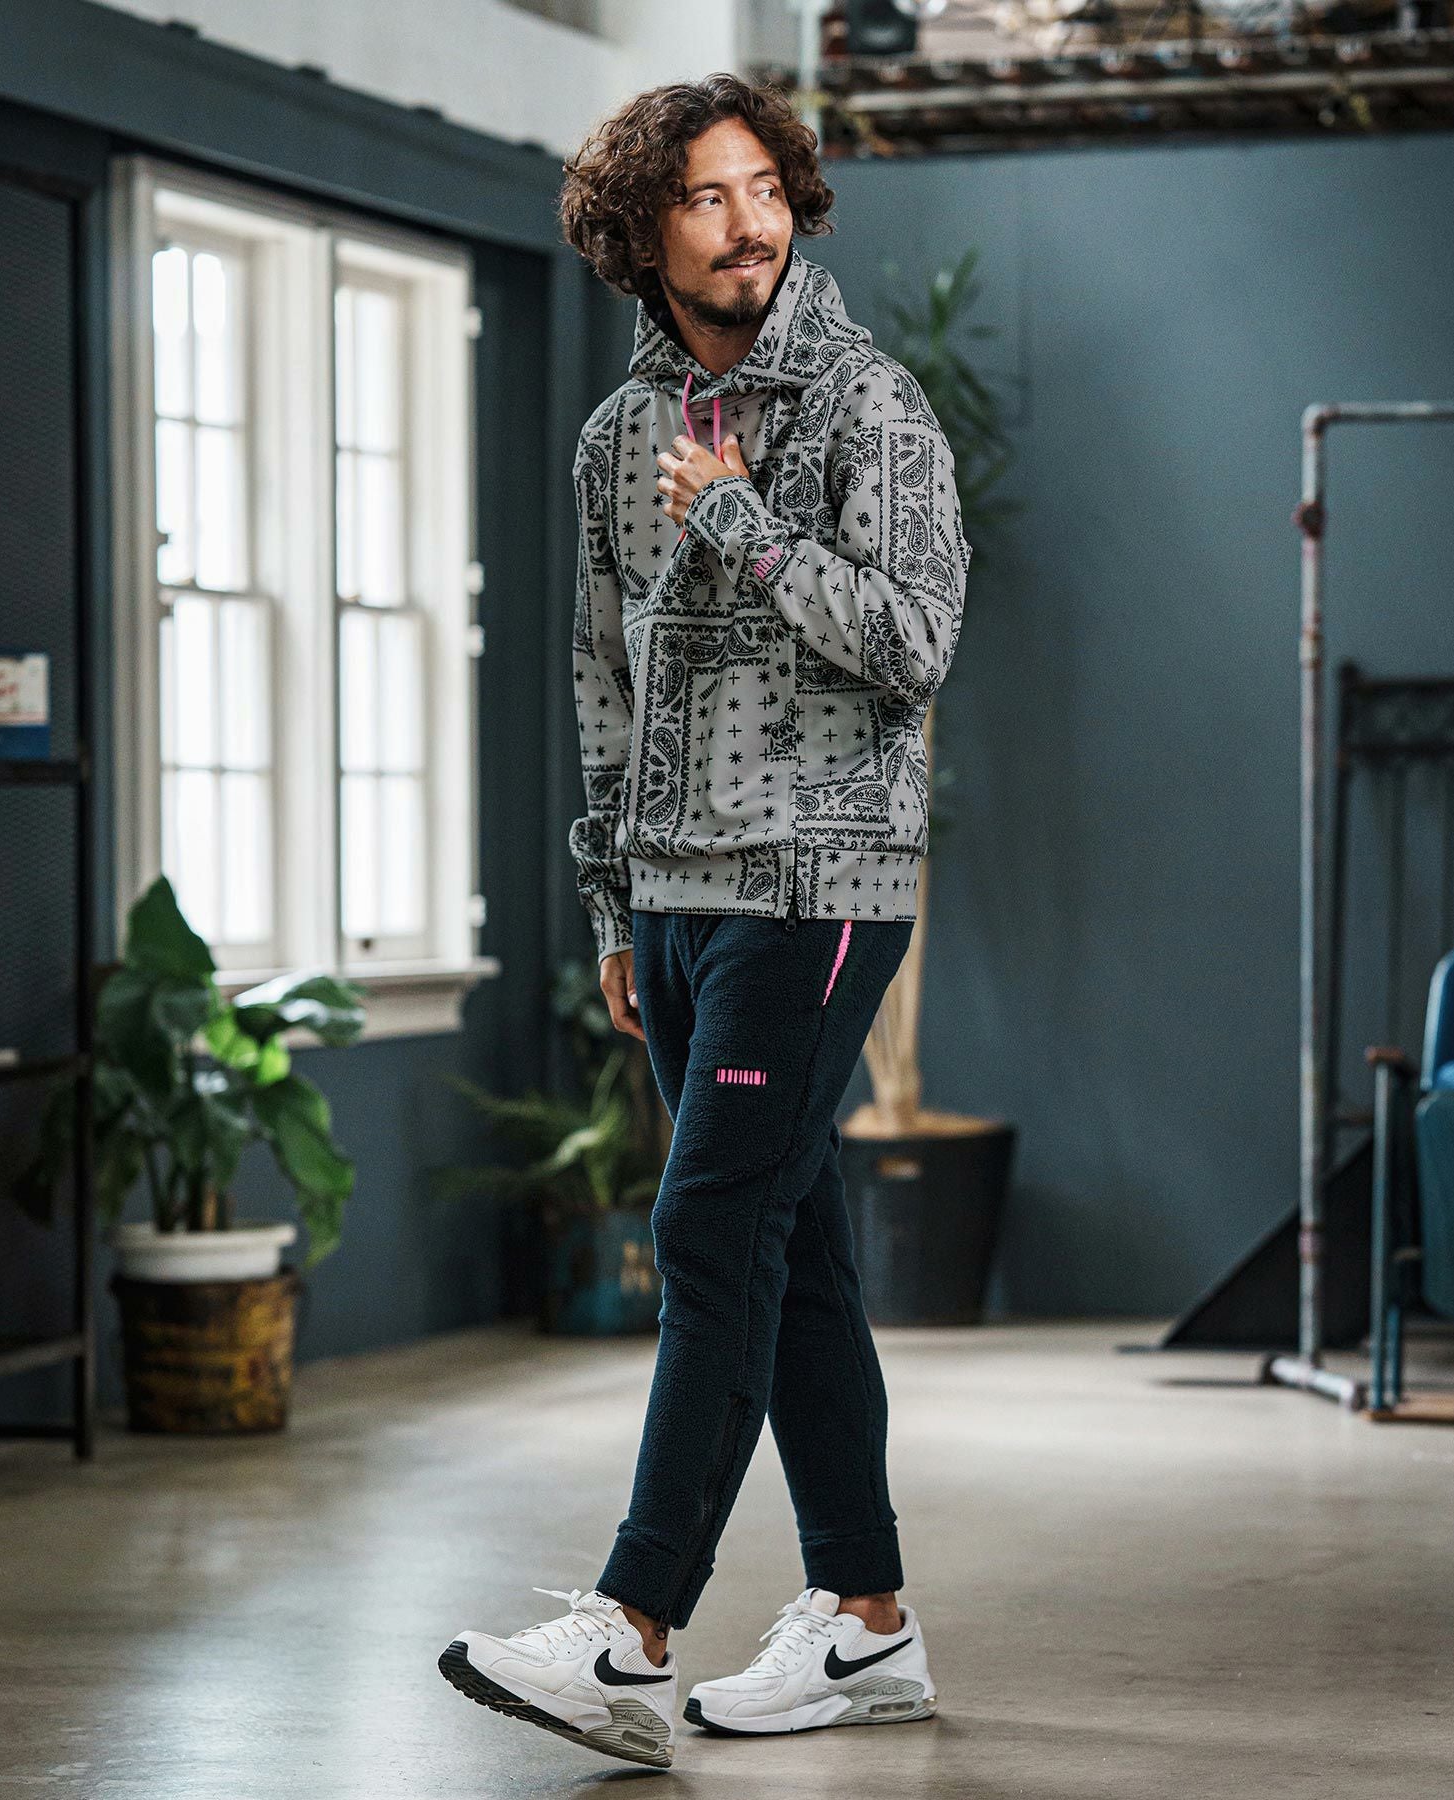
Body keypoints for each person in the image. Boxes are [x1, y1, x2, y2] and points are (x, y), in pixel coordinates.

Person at [439, 71, 971, 1770]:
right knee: (786, 1251)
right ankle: (867, 1622)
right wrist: (610, 895)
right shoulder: (617, 438)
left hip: (817, 885)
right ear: (639, 234)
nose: (748, 225)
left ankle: (631, 1627)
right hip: (668, 897)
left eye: (765, 190)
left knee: (709, 1232)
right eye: (705, 197)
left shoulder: (868, 406)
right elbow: (603, 676)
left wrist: (740, 524)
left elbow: (917, 643)